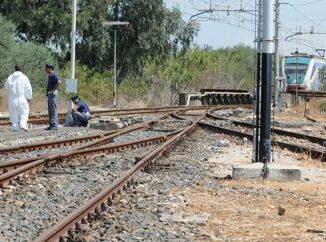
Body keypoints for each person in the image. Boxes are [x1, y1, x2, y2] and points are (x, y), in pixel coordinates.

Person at [5, 64, 33, 131]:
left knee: (13, 113)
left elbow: (6, 87)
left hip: (12, 98)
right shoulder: (24, 77)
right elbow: (28, 89)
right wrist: (29, 97)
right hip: (22, 98)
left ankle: (15, 127)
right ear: (22, 69)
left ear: (15, 69)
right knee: (24, 112)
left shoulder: (10, 77)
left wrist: (11, 92)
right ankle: (23, 124)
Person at [45, 64, 61, 130]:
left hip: (52, 95)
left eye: (46, 68)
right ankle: (51, 125)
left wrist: (54, 89)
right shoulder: (50, 76)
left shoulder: (54, 75)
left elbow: (59, 82)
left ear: (50, 69)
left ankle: (54, 125)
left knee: (53, 110)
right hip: (50, 95)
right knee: (50, 110)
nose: (45, 70)